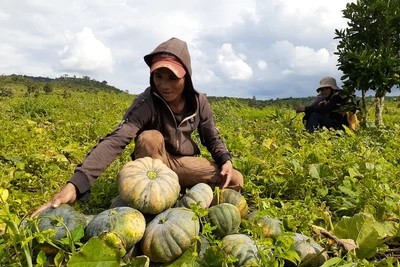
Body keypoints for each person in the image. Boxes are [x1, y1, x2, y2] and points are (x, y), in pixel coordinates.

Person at [32, 37, 243, 216]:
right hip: (152, 165)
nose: (164, 85)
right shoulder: (147, 101)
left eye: (173, 77)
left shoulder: (199, 102)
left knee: (234, 180)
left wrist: (225, 160)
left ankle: (184, 198)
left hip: (182, 163)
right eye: (158, 76)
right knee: (149, 137)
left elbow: (211, 137)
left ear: (186, 76)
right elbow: (116, 140)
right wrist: (75, 185)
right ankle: (153, 202)